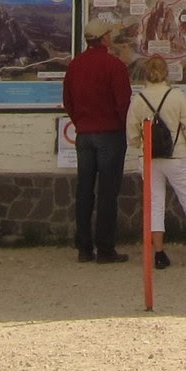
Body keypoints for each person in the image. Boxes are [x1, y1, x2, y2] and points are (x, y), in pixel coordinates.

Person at [126, 55, 186, 270]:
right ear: (166, 73)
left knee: (155, 205)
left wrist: (143, 145)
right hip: (176, 156)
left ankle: (159, 254)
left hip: (150, 158)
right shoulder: (176, 96)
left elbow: (132, 134)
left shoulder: (138, 99)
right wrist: (185, 142)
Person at [62, 36, 132, 264]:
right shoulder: (114, 65)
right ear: (105, 38)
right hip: (110, 134)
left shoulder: (75, 65)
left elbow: (68, 100)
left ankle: (83, 247)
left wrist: (81, 123)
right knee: (107, 193)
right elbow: (123, 101)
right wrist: (124, 127)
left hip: (84, 135)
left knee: (84, 190)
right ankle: (105, 248)